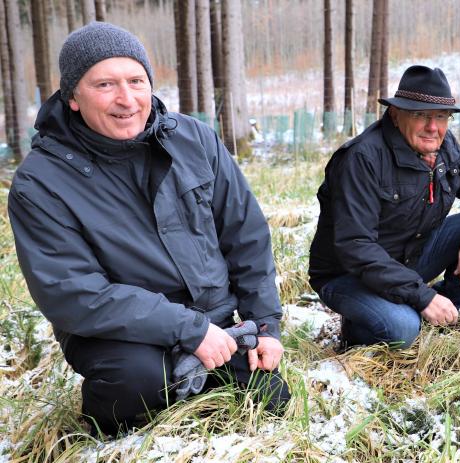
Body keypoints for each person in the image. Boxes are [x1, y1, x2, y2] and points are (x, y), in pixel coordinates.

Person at [8, 22, 290, 436]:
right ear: (72, 97)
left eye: (136, 81)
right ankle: (106, 427)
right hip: (117, 335)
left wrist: (264, 324)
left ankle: (190, 386)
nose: (126, 99)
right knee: (138, 383)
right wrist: (188, 330)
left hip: (212, 319)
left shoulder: (194, 138)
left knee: (269, 398)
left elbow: (245, 235)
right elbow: (73, 293)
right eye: (105, 84)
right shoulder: (41, 182)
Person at [308, 65, 460, 349]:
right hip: (348, 274)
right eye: (421, 115)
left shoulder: (444, 148)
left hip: (408, 259)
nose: (433, 127)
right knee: (403, 328)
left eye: (441, 117)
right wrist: (423, 297)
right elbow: (356, 247)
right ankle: (359, 330)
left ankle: (443, 314)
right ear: (395, 114)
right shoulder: (362, 159)